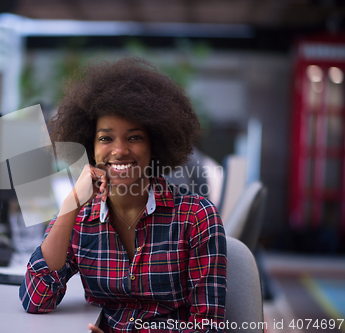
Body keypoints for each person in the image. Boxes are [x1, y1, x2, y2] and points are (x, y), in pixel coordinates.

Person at [19, 57, 227, 333]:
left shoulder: (197, 216)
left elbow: (209, 327)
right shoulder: (81, 217)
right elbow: (36, 299)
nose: (118, 150)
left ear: (155, 145)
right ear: (89, 147)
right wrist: (69, 205)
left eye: (134, 137)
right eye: (105, 138)